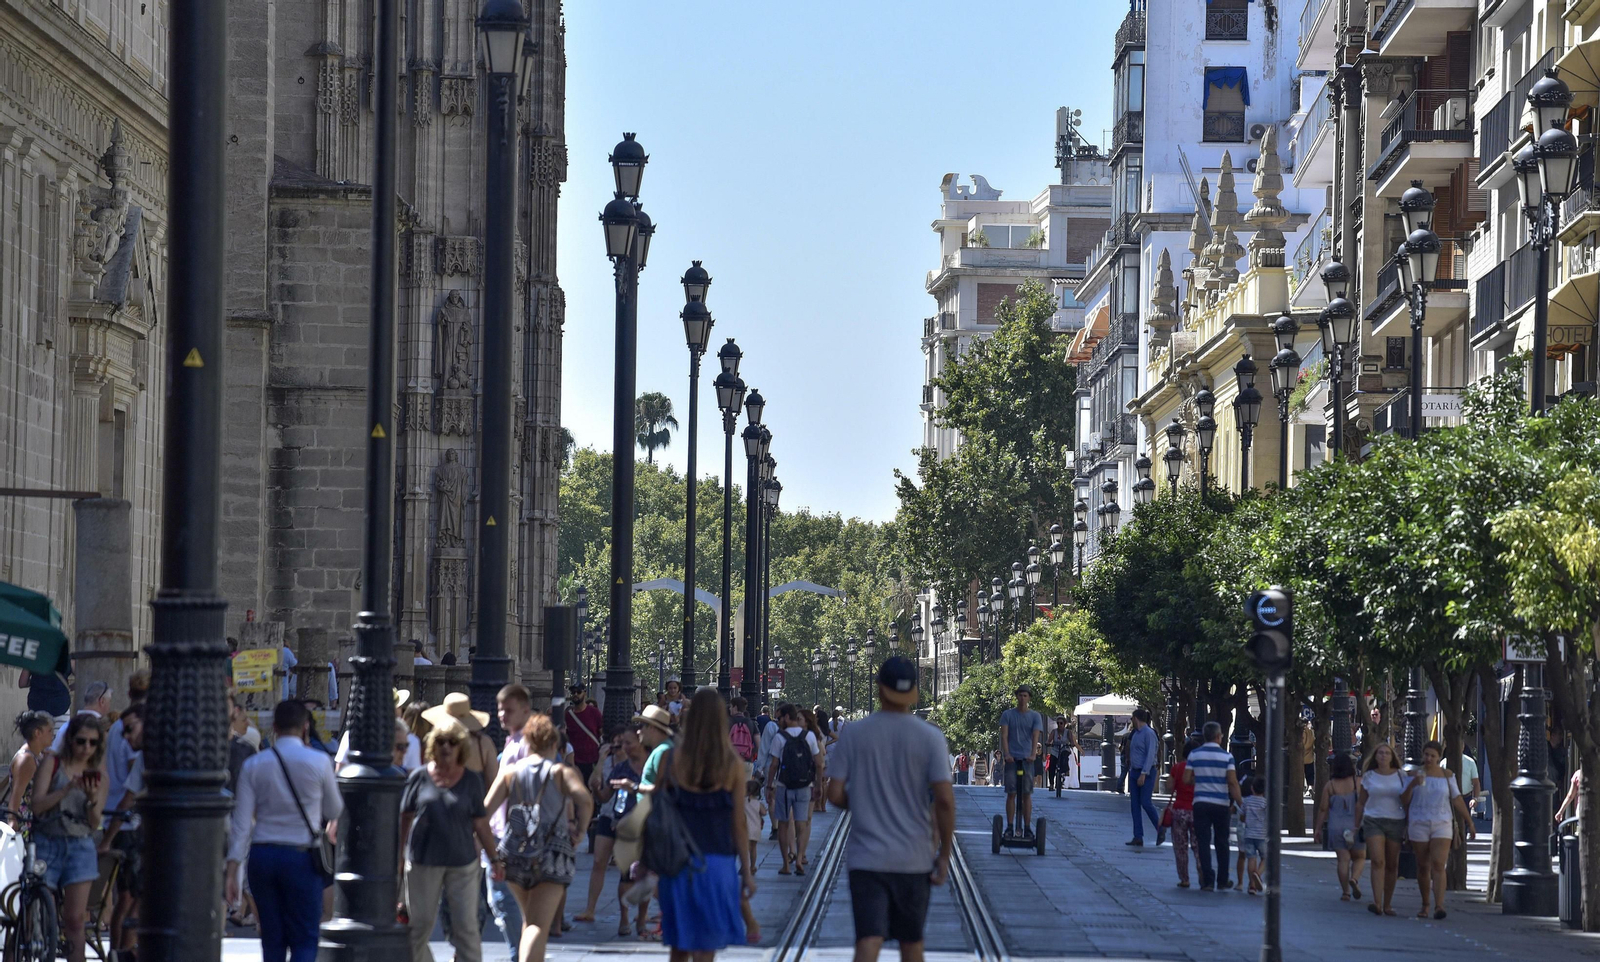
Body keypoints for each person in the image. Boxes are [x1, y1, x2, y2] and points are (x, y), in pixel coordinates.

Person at [825, 656, 954, 962]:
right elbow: (945, 801)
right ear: (913, 693)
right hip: (914, 858)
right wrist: (944, 855)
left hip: (866, 858)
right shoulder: (931, 737)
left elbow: (833, 793)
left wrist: (863, 802)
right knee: (911, 944)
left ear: (880, 688)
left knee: (869, 940)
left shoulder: (854, 734)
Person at [226, 700, 343, 962]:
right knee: (304, 938)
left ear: (274, 728)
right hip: (301, 856)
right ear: (305, 727)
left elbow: (242, 824)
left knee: (272, 939)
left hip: (263, 856)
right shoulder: (319, 761)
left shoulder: (255, 764)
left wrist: (233, 868)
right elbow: (335, 810)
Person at [653, 688, 754, 957]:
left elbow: (656, 814)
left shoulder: (670, 759)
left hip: (676, 864)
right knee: (706, 950)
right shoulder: (731, 764)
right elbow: (739, 822)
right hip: (717, 864)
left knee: (679, 946)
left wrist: (647, 865)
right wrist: (746, 869)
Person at [484, 713, 593, 962]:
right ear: (554, 744)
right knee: (537, 924)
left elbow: (484, 813)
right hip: (552, 853)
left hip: (514, 852)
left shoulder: (510, 772)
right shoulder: (560, 772)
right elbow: (585, 800)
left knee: (529, 921)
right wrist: (581, 830)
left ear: (527, 743)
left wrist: (491, 853)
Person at [400, 723, 497, 962]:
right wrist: (399, 858)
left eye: (452, 742)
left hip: (462, 863)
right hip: (423, 861)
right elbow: (404, 820)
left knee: (466, 927)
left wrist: (495, 859)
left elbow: (481, 824)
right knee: (419, 925)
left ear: (461, 748)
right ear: (433, 745)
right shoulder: (419, 777)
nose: (446, 747)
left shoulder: (472, 780)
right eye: (441, 742)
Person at [30, 712, 106, 962]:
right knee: (40, 912)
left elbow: (95, 823)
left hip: (80, 845)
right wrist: (66, 789)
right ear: (71, 740)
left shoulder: (98, 776)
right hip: (48, 841)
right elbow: (37, 806)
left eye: (93, 743)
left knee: (75, 919)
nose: (86, 748)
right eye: (81, 741)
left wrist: (92, 799)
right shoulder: (52, 763)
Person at [574, 728, 648, 935]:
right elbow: (605, 796)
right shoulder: (620, 767)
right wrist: (598, 789)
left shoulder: (652, 765)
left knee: (641, 872)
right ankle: (624, 918)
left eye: (628, 743)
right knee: (621, 872)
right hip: (614, 819)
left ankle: (641, 919)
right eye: (622, 743)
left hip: (641, 823)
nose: (623, 747)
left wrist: (634, 787)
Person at [484, 685, 535, 961]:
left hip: (509, 838)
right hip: (501, 834)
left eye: (509, 710)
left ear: (526, 711)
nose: (502, 715)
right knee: (499, 903)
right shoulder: (512, 741)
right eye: (500, 709)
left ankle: (520, 956)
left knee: (504, 903)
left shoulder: (523, 745)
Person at [1401, 740, 1474, 920]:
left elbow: (1457, 799)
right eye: (1426, 755)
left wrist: (1469, 822)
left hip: (1442, 823)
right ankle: (1425, 905)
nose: (1429, 758)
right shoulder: (1412, 774)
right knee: (1423, 865)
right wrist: (1412, 784)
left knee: (1439, 865)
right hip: (1419, 823)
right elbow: (1403, 800)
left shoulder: (1447, 775)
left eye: (1433, 756)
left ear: (1439, 757)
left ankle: (1439, 905)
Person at [98, 703, 146, 962]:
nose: (125, 736)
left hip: (138, 832)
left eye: (130, 729)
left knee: (132, 899)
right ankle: (123, 953)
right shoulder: (142, 757)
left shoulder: (147, 755)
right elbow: (128, 798)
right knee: (132, 898)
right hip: (133, 831)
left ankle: (124, 952)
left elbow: (128, 798)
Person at [1184, 721, 1241, 892]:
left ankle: (1208, 880)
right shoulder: (1227, 757)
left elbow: (1186, 779)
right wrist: (1240, 803)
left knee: (1203, 842)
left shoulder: (1194, 755)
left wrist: (1200, 780)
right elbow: (1232, 782)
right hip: (1221, 804)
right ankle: (1223, 880)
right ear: (1218, 736)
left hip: (1200, 803)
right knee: (1222, 842)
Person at [767, 703, 821, 876]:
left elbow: (774, 764)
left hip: (784, 786)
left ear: (787, 717)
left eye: (780, 717)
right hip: (805, 785)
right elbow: (819, 763)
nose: (778, 721)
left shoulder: (780, 737)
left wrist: (769, 786)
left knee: (783, 823)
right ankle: (799, 859)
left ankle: (786, 864)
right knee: (802, 822)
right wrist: (818, 784)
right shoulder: (810, 736)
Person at [1356, 742, 1406, 916]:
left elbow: (1407, 799)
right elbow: (1361, 802)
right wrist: (1356, 825)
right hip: (1373, 820)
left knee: (1392, 864)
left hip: (1396, 821)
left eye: (1387, 753)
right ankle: (1377, 902)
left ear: (1392, 757)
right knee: (1378, 861)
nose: (1384, 756)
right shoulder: (1369, 776)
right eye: (1380, 753)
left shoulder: (1401, 775)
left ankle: (1388, 904)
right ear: (1375, 757)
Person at [1315, 753, 1366, 901]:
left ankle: (1345, 892)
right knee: (1359, 857)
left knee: (1343, 860)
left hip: (1336, 826)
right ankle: (1355, 879)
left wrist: (1318, 829)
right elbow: (1365, 804)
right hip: (1355, 825)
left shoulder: (1330, 786)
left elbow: (1323, 809)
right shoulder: (1358, 782)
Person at [422, 692, 499, 790]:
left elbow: (427, 774)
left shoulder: (437, 742)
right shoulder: (483, 743)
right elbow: (493, 784)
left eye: (453, 742)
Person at [998, 685, 1043, 837]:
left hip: (1027, 759)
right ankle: (1010, 826)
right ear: (1016, 697)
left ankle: (1028, 827)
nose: (1022, 698)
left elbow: (1035, 736)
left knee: (1026, 794)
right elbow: (1004, 735)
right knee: (1011, 793)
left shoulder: (1035, 716)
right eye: (1020, 695)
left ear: (1029, 698)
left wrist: (1033, 755)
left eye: (1025, 696)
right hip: (1012, 759)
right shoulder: (1007, 715)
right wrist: (1007, 754)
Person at [7, 710, 54, 827]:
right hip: (25, 823)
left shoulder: (37, 755)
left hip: (35, 820)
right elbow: (16, 794)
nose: (53, 735)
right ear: (38, 733)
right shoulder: (27, 760)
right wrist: (12, 820)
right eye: (50, 731)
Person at [1126, 708, 1161, 846]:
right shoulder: (1135, 733)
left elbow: (1150, 754)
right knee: (1134, 805)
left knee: (1146, 802)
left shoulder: (1149, 733)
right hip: (1134, 771)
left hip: (1146, 772)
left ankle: (1161, 829)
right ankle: (1138, 836)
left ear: (1136, 718)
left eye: (1132, 719)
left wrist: (1144, 773)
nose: (1132, 721)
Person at [1167, 737, 1199, 888]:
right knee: (1198, 845)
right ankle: (1202, 874)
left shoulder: (1178, 768)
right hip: (1196, 809)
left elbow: (1169, 787)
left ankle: (1184, 878)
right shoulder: (1200, 770)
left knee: (1180, 846)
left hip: (1179, 809)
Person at [49, 680, 111, 754]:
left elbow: (54, 754)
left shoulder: (66, 727)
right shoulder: (104, 729)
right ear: (102, 701)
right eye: (109, 701)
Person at [565, 684, 604, 783]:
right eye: (573, 692)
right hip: (575, 762)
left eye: (578, 692)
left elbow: (602, 732)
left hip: (592, 760)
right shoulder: (568, 716)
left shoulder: (594, 713)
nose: (575, 695)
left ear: (585, 693)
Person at [1240, 776, 1268, 894]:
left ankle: (1252, 885)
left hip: (1249, 834)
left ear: (1252, 788)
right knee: (1266, 857)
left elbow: (1242, 816)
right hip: (1261, 834)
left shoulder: (1246, 801)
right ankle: (1257, 874)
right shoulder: (1265, 803)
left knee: (1251, 858)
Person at [802, 707, 829, 816]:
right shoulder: (826, 729)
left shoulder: (815, 730)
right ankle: (823, 805)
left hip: (816, 755)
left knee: (818, 780)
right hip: (825, 755)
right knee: (824, 782)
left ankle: (817, 805)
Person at [728, 696, 761, 777]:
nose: (729, 709)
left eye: (731, 707)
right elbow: (759, 745)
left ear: (735, 707)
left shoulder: (727, 722)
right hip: (747, 761)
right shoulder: (751, 723)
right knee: (746, 788)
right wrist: (750, 752)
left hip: (731, 761)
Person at [1049, 717, 1075, 792]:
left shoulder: (1068, 732)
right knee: (1052, 766)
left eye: (1061, 723)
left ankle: (1064, 772)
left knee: (1064, 758)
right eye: (1058, 723)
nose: (1059, 725)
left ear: (1064, 724)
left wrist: (1072, 744)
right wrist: (1048, 743)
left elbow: (1071, 741)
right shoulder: (1054, 731)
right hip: (1055, 749)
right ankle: (1051, 784)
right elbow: (1049, 739)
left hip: (1064, 748)